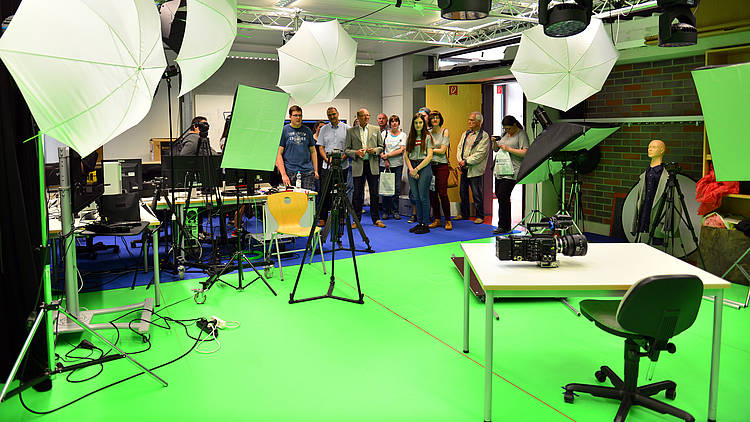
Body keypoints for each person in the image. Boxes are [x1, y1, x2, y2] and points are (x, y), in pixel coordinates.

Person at [346, 108, 386, 228]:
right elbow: (347, 150)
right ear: (358, 117)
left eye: (368, 115)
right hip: (358, 165)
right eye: (364, 116)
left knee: (374, 193)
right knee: (357, 194)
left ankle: (376, 219)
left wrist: (374, 150)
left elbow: (381, 147)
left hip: (372, 164)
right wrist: (356, 153)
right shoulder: (351, 131)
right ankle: (356, 220)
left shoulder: (376, 129)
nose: (367, 118)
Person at [631, 139, 676, 243]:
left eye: (653, 147)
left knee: (657, 244)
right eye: (649, 147)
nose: (650, 149)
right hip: (644, 213)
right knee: (641, 239)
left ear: (662, 150)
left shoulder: (666, 176)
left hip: (658, 215)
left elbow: (673, 204)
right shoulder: (645, 174)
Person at [492, 115, 529, 234]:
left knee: (503, 196)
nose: (507, 131)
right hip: (500, 169)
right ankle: (503, 224)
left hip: (513, 171)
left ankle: (504, 225)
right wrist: (494, 143)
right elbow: (496, 150)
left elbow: (525, 152)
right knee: (500, 195)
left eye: (509, 129)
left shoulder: (521, 134)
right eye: (505, 129)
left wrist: (508, 149)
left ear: (514, 125)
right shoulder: (504, 135)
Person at [317, 107, 352, 225]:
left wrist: (341, 159)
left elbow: (349, 148)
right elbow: (320, 147)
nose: (332, 117)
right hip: (327, 166)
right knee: (324, 191)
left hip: (343, 165)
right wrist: (327, 159)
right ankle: (323, 218)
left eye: (333, 114)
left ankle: (341, 217)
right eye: (329, 115)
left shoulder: (347, 129)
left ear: (338, 114)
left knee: (341, 192)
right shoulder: (324, 129)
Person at [455, 111, 490, 224]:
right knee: (463, 192)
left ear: (479, 122)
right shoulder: (466, 133)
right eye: (469, 120)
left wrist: (466, 161)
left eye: (472, 120)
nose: (469, 122)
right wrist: (460, 161)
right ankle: (464, 214)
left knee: (476, 193)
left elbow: (480, 154)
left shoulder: (484, 136)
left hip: (475, 169)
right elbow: (459, 147)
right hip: (464, 167)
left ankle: (480, 216)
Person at [403, 113, 434, 234]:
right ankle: (419, 222)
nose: (418, 125)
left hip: (424, 167)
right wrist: (411, 169)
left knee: (423, 196)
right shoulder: (410, 136)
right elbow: (406, 154)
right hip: (412, 167)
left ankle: (425, 224)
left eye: (420, 122)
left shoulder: (427, 137)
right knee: (416, 197)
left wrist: (417, 169)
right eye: (416, 123)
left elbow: (429, 156)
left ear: (424, 123)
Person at [276, 105, 318, 190]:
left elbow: (313, 151)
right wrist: (283, 174)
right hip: (290, 172)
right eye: (295, 115)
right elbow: (279, 153)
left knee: (307, 200)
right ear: (290, 117)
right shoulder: (284, 130)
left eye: (300, 115)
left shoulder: (307, 131)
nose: (298, 118)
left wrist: (315, 170)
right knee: (292, 200)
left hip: (307, 172)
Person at [427, 110, 452, 231]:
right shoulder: (428, 133)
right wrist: (431, 150)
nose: (435, 120)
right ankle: (437, 219)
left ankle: (447, 220)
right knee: (432, 193)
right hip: (430, 165)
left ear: (440, 119)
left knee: (442, 193)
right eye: (432, 118)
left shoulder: (445, 131)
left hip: (442, 165)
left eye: (437, 117)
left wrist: (430, 150)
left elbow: (442, 151)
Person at [379, 114, 406, 220]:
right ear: (389, 124)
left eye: (396, 121)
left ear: (398, 123)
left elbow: (401, 150)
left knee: (397, 188)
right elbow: (380, 148)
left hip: (397, 165)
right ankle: (385, 211)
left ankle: (395, 211)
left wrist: (388, 156)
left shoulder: (403, 135)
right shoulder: (384, 134)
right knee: (386, 188)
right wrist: (385, 160)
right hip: (385, 165)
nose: (394, 123)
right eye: (392, 121)